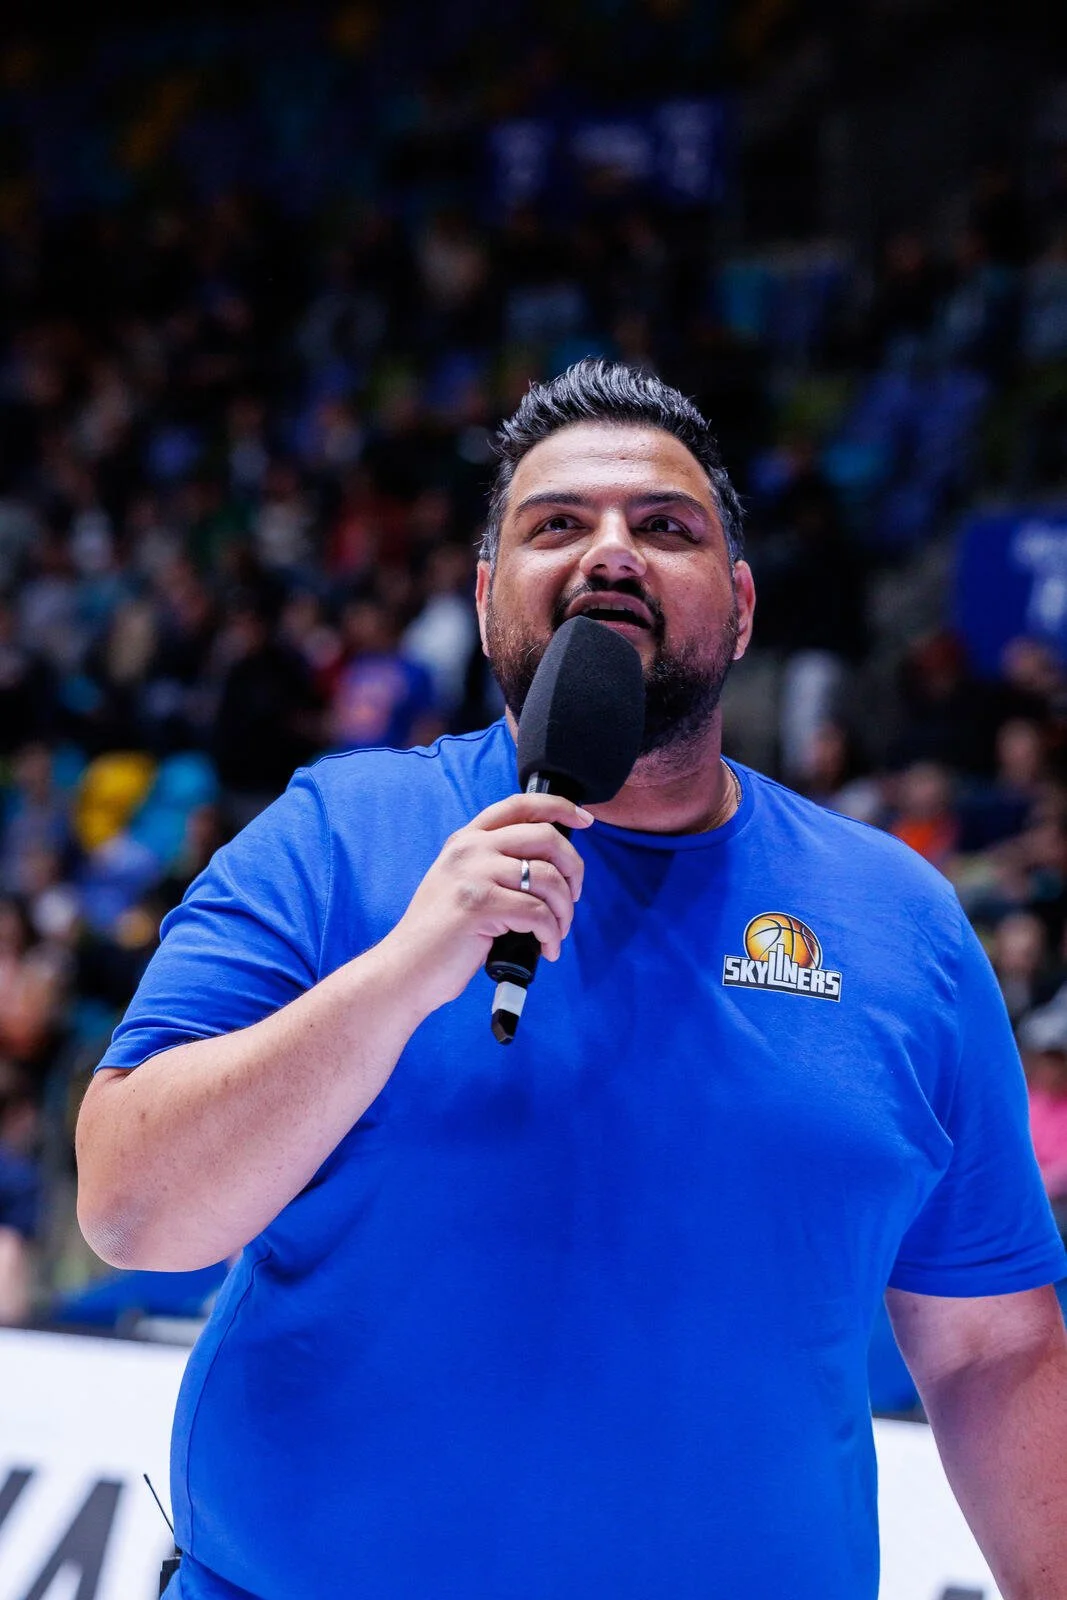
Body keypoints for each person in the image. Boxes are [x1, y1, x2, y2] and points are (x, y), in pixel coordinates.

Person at [75, 360, 1067, 1600]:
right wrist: (400, 975)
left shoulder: (898, 921)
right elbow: (129, 1208)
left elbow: (988, 1346)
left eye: (665, 527)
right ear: (491, 597)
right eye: (556, 525)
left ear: (741, 609)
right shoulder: (337, 837)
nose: (610, 553)